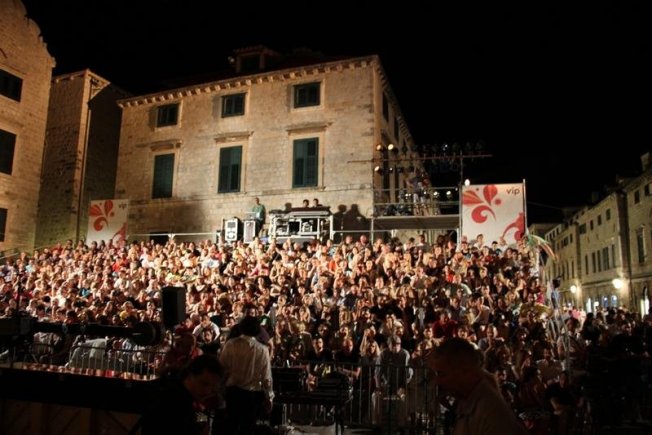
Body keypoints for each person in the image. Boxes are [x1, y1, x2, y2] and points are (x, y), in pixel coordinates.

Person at [428, 337, 528, 435]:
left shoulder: (489, 413)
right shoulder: (469, 403)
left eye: (442, 374)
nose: (437, 381)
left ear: (465, 370)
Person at [141, 354, 223, 435]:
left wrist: (202, 424)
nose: (208, 391)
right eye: (204, 384)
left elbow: (200, 416)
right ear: (190, 375)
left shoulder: (192, 398)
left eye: (213, 388)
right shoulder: (173, 400)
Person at [219, 315, 274, 435]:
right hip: (252, 395)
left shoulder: (230, 344)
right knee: (248, 428)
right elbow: (266, 377)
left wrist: (220, 388)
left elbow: (222, 368)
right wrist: (269, 396)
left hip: (233, 392)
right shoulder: (262, 349)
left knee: (231, 426)